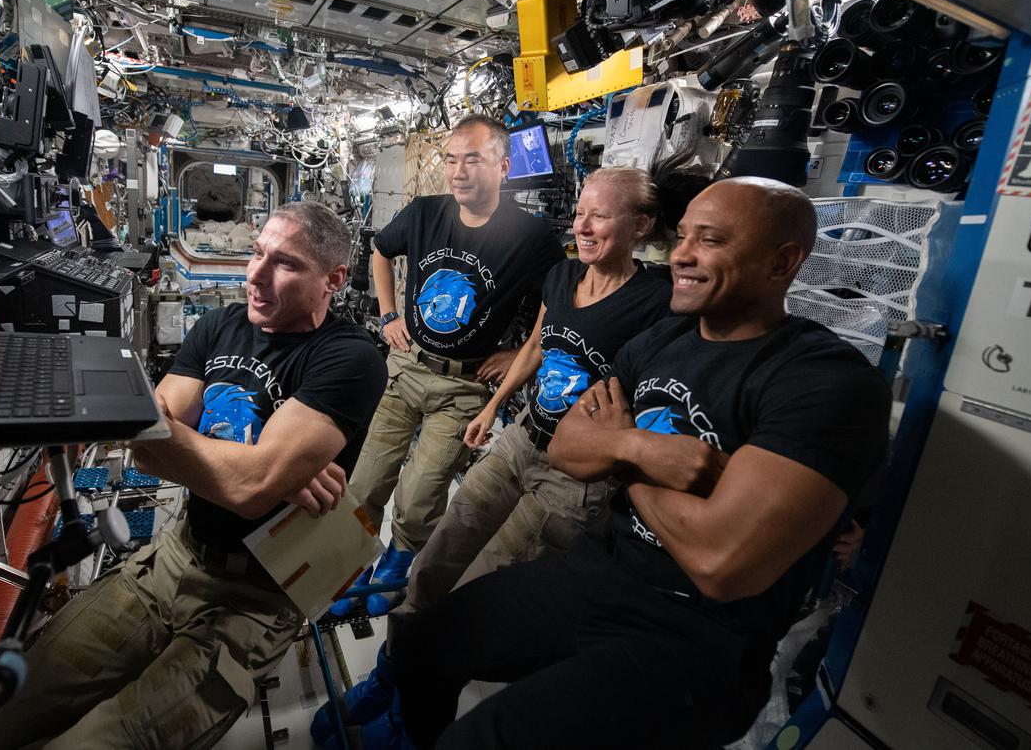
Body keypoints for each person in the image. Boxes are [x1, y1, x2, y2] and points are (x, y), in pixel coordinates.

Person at [386, 178, 893, 750]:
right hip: (602, 574)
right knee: (422, 643)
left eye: (712, 240)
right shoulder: (661, 342)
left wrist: (617, 449)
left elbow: (717, 561)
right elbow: (567, 447)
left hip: (697, 637)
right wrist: (639, 451)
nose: (683, 254)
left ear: (783, 262)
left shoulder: (823, 379)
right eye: (684, 237)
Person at [0, 201, 387, 750]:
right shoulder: (222, 325)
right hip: (172, 560)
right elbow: (151, 454)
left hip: (251, 601)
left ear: (334, 280)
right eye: (256, 254)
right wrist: (257, 463)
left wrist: (244, 467)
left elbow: (243, 488)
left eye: (286, 264)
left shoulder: (350, 358)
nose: (255, 275)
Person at [312, 167, 694, 747]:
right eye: (581, 212)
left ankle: (412, 723)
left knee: (475, 599)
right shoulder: (565, 275)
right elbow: (541, 343)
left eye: (601, 216)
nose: (583, 226)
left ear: (641, 226)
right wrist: (494, 407)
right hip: (519, 441)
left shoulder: (658, 302)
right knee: (434, 564)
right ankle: (393, 674)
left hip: (573, 481)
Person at [337, 114, 565, 617]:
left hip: (463, 388)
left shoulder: (531, 238)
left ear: (503, 167)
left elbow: (562, 303)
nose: (458, 172)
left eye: (474, 159)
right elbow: (379, 249)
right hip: (407, 369)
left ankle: (397, 561)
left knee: (422, 491)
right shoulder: (425, 213)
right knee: (367, 479)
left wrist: (519, 353)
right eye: (451, 160)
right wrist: (389, 313)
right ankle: (347, 564)